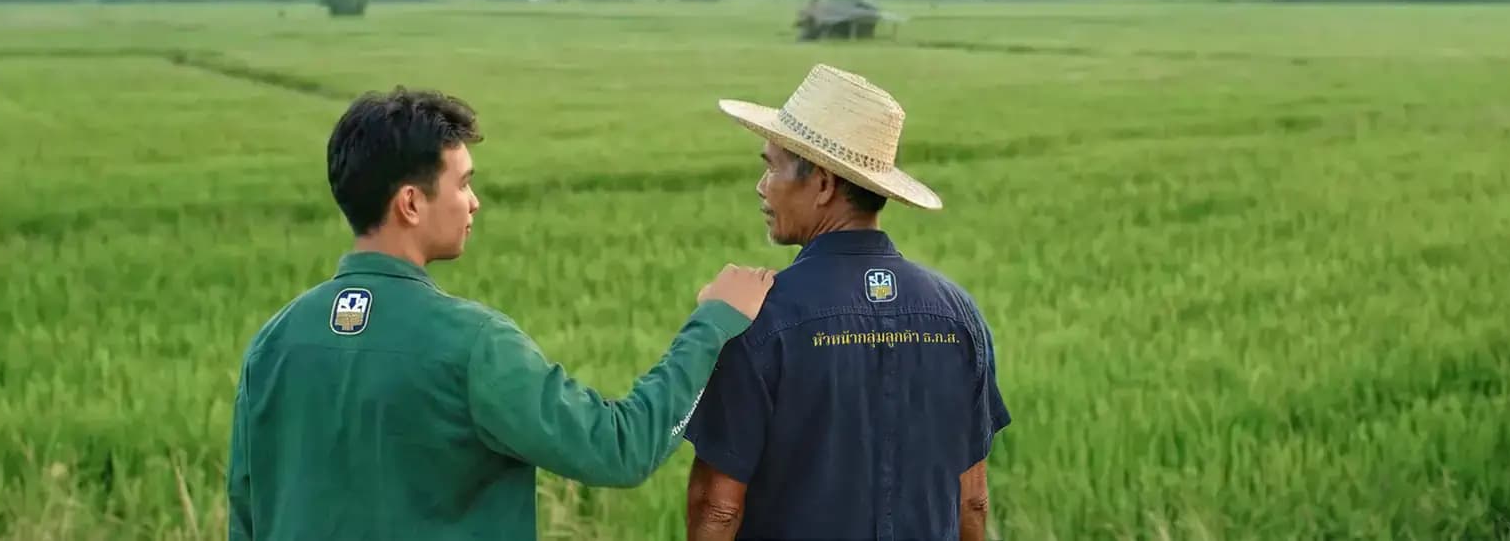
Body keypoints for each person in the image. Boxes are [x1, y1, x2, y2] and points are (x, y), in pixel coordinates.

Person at [227, 86, 775, 541]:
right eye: (463, 183)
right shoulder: (472, 344)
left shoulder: (273, 342)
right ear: (411, 203)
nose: (474, 202)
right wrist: (713, 323)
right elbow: (620, 449)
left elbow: (246, 515)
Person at [684, 64, 1009, 541]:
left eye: (771, 167)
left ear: (823, 184)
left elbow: (717, 507)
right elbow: (972, 500)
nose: (762, 186)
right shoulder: (959, 315)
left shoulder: (757, 319)